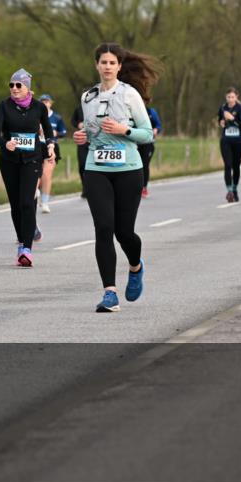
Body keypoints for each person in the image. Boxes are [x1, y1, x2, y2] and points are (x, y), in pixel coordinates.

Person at [73, 43, 159, 313]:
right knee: (103, 228)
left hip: (128, 170)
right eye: (103, 62)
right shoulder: (87, 97)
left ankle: (136, 266)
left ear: (119, 66)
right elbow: (90, 131)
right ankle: (109, 293)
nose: (107, 67)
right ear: (96, 65)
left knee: (124, 233)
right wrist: (82, 137)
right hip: (97, 169)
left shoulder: (130, 95)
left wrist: (124, 129)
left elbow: (147, 134)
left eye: (112, 62)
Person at [0, 69, 56, 267]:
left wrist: (51, 144)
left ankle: (26, 249)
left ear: (27, 87)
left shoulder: (38, 108)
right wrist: (5, 143)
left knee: (27, 202)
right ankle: (22, 239)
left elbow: (48, 129)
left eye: (18, 85)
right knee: (16, 204)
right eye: (11, 85)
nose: (14, 88)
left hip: (32, 159)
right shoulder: (4, 106)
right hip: (9, 161)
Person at [37, 94, 67, 213]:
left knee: (46, 174)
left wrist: (56, 133)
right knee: (35, 173)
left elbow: (63, 131)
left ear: (51, 103)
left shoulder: (56, 117)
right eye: (42, 102)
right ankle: (36, 191)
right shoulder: (35, 115)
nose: (45, 104)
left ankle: (45, 202)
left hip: (52, 147)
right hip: (37, 146)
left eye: (47, 101)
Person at [217, 87, 241, 203]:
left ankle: (235, 189)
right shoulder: (222, 108)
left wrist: (233, 118)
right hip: (226, 140)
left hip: (238, 141)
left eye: (232, 97)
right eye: (228, 97)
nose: (230, 99)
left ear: (236, 97)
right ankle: (229, 191)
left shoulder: (240, 108)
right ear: (226, 97)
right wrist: (221, 122)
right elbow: (220, 120)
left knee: (236, 166)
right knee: (227, 165)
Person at [138, 105, 162, 198]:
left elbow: (158, 125)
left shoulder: (151, 112)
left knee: (145, 165)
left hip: (148, 143)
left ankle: (144, 187)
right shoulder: (130, 110)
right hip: (135, 143)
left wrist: (156, 130)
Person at [72, 105, 89, 198]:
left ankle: (93, 188)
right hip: (82, 141)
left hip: (95, 141)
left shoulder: (99, 105)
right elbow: (73, 121)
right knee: (82, 164)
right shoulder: (78, 109)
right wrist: (78, 124)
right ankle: (85, 188)